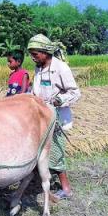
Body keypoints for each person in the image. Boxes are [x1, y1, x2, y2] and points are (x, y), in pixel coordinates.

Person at [27, 34, 81, 200]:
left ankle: (66, 188)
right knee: (37, 152)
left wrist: (58, 100)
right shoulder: (39, 68)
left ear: (45, 52)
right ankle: (37, 184)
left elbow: (75, 92)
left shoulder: (60, 67)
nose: (33, 58)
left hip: (57, 117)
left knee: (55, 153)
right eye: (31, 54)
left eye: (35, 54)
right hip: (40, 117)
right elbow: (36, 91)